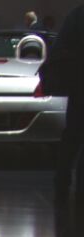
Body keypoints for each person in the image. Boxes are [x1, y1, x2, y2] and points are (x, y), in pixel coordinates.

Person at [51, 5, 84, 220]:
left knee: (72, 137)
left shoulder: (77, 14)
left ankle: (62, 186)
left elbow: (60, 49)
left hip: (78, 85)